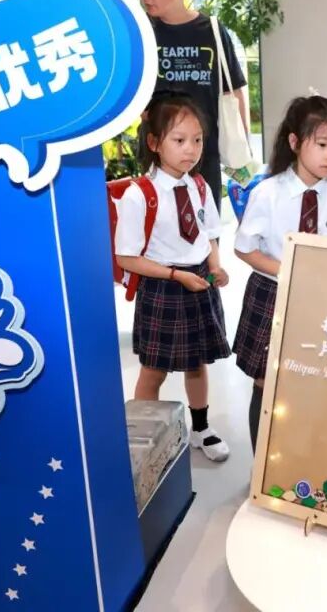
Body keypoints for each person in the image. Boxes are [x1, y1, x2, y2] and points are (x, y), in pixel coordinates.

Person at [114, 94, 232, 463]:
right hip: (164, 286)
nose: (190, 149)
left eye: (197, 140)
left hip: (198, 283)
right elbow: (126, 257)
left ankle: (202, 429)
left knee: (198, 363)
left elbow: (208, 234)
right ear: (154, 142)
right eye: (179, 140)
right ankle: (143, 436)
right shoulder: (139, 195)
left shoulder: (200, 186)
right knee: (154, 369)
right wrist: (175, 275)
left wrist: (215, 266)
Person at [233, 95, 327, 451]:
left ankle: (299, 459)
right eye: (322, 144)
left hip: (318, 300)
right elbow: (244, 248)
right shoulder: (268, 193)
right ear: (296, 142)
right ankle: (261, 466)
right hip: (272, 294)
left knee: (310, 381)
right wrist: (288, 271)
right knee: (265, 381)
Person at [135, 0, 248, 205]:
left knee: (207, 221)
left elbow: (232, 89)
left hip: (203, 152)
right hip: (157, 153)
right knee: (160, 220)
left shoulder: (212, 31)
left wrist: (242, 143)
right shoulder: (142, 33)